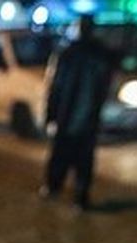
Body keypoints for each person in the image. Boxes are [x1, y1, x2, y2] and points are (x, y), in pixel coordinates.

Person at [41, 15, 115, 210]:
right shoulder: (101, 55)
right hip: (89, 117)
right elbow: (105, 86)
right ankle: (80, 197)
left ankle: (53, 187)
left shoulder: (67, 54)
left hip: (66, 115)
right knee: (84, 159)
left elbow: (56, 87)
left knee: (60, 154)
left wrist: (50, 115)